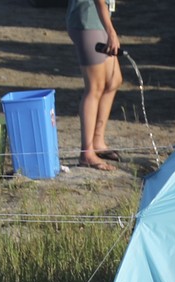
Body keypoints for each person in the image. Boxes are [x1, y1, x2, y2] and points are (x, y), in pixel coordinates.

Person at [65, 0, 123, 171]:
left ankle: (98, 141)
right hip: (88, 21)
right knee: (95, 87)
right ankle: (87, 153)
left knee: (114, 80)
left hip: (99, 19)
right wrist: (111, 32)